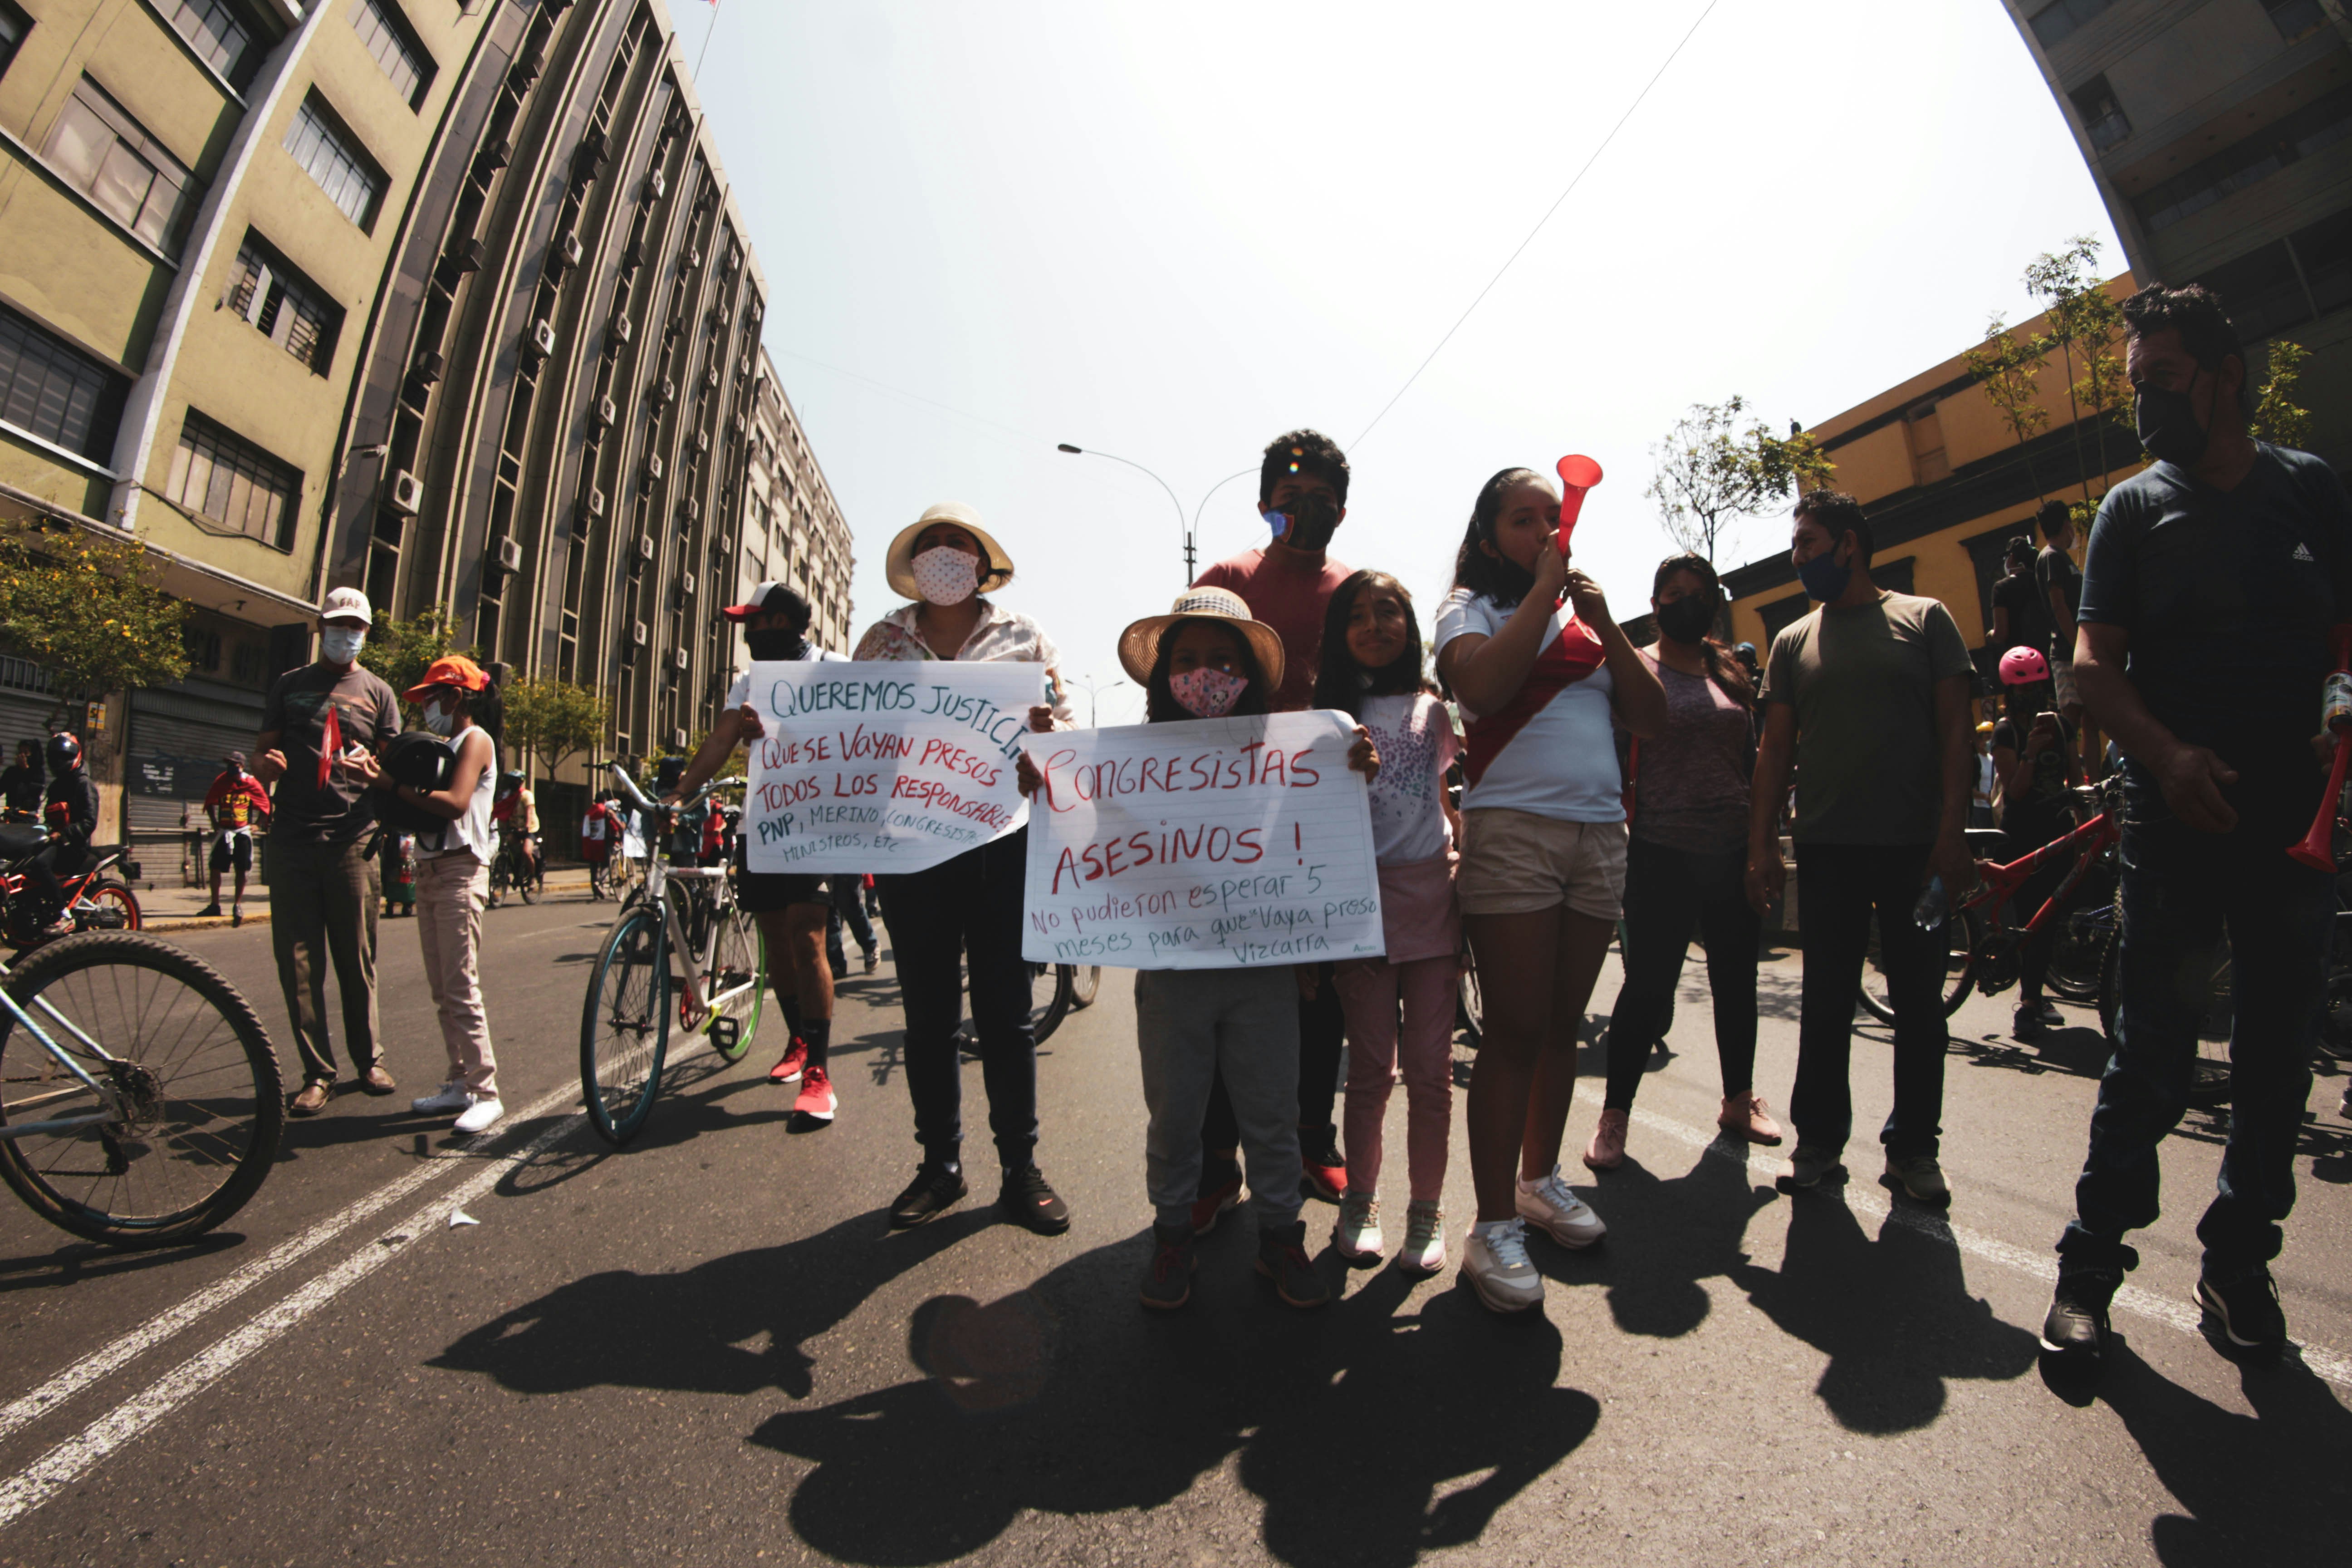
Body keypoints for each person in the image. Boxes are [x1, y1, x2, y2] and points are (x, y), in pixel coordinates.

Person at [2039, 282, 2352, 1367]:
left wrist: (2340, 710)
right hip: (2171, 824)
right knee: (2151, 1055)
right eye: (2137, 386)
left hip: (2290, 826)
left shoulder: (2309, 489)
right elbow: (2091, 667)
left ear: (2224, 376)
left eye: (2163, 380)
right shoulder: (2132, 510)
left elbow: (2346, 638)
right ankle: (2088, 1270)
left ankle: (2238, 1265)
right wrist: (2167, 758)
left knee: (2277, 1055)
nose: (2147, 405)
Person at [1039, 586, 1375, 1309]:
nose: (1205, 674)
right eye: (1187, 660)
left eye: (1223, 660)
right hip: (1171, 977)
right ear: (1163, 677)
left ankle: (1281, 1235)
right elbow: (1090, 848)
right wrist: (1044, 784)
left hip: (1265, 976)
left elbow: (1314, 847)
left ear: (1249, 674)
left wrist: (1353, 773)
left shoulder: (1293, 755)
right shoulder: (1127, 763)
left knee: (1273, 1116)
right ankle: (1171, 1237)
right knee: (1175, 1119)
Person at [1433, 467, 1667, 1313]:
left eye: (1549, 518)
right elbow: (1480, 688)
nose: (1542, 531)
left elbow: (1651, 718)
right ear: (1489, 536)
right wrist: (1542, 591)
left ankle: (1538, 1181)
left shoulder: (1582, 619)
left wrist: (1605, 624)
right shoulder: (1469, 609)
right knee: (1515, 1029)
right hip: (1514, 832)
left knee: (1562, 1026)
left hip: (1598, 836)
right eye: (1522, 520)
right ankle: (1491, 1226)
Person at [1746, 490, 1975, 1205]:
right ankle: (1818, 1143)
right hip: (1826, 852)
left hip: (1915, 851)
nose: (1798, 558)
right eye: (1795, 546)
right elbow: (1774, 750)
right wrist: (1761, 844)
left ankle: (1914, 1150)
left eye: (1808, 543)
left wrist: (1952, 834)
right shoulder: (1792, 641)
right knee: (1825, 1004)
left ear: (1850, 544)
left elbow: (1957, 733)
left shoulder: (1926, 619)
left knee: (1920, 1007)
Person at [853, 505, 1074, 1234]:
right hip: (911, 851)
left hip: (1001, 848)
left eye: (959, 543)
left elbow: (1066, 726)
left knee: (1007, 1017)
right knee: (928, 1019)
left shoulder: (1024, 638)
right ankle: (940, 1167)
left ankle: (1020, 1168)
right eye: (932, 544)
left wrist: (1048, 742)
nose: (945, 553)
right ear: (913, 564)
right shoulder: (881, 642)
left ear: (983, 563)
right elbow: (843, 730)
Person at [1190, 429, 1358, 1215]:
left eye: (1323, 499)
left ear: (1342, 511)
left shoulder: (1355, 591)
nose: (1307, 510)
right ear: (1264, 505)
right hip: (1232, 820)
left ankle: (1312, 1138)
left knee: (1322, 993)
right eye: (1291, 498)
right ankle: (1216, 1162)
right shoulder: (1227, 581)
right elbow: (1186, 680)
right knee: (1233, 991)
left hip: (1325, 818)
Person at [1586, 553, 1779, 1173]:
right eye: (1674, 593)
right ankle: (1614, 1116)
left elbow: (1751, 763)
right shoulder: (1634, 669)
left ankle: (1739, 1100)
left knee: (1736, 982)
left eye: (1698, 593)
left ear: (1713, 605)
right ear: (1655, 603)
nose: (1686, 603)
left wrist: (1763, 846)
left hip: (1731, 850)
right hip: (1659, 851)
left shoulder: (1730, 671)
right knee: (1647, 987)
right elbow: (1609, 757)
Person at [1311, 571, 1459, 1273]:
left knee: (1432, 1074)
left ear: (1411, 623)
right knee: (1372, 1072)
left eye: (1389, 611)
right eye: (1358, 615)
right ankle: (1361, 1202)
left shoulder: (1437, 712)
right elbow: (1307, 816)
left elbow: (1446, 800)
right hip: (1358, 911)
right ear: (1339, 633)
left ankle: (1427, 1211)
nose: (1375, 625)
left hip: (1433, 906)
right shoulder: (1326, 720)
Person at [667, 582, 852, 1130]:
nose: (751, 634)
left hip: (818, 823)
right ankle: (798, 1039)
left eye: (758, 622)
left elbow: (871, 733)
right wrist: (679, 793)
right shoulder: (750, 682)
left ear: (785, 622)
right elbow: (719, 741)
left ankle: (819, 1073)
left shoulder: (835, 670)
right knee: (776, 940)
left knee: (807, 935)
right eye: (747, 625)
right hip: (763, 822)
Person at [254, 586, 401, 1115]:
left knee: (357, 959)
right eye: (338, 625)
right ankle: (318, 1072)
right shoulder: (290, 685)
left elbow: (394, 771)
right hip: (292, 839)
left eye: (356, 627)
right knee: (298, 965)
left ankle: (369, 1060)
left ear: (366, 634)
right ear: (321, 628)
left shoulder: (379, 693)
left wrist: (375, 774)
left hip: (353, 841)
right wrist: (266, 768)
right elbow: (260, 754)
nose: (346, 634)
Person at [357, 656, 505, 1134]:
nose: (426, 707)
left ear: (456, 697)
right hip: (431, 870)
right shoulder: (445, 746)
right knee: (443, 990)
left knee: (461, 988)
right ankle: (460, 1082)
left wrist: (390, 783)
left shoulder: (475, 740)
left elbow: (455, 804)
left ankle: (487, 1093)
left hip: (461, 871)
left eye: (432, 697)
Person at [1989, 645, 2080, 1043]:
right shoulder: (2005, 732)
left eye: (2037, 688)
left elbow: (2075, 777)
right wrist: (2030, 753)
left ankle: (2036, 995)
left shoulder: (2062, 726)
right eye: (2023, 690)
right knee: (2032, 919)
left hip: (2058, 832)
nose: (2031, 696)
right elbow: (2015, 791)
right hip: (2022, 836)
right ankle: (2028, 1004)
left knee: (2052, 918)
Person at [13, 732, 98, 939]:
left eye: (63, 757)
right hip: (57, 842)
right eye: (55, 758)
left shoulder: (84, 784)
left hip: (74, 846)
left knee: (40, 864)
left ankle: (63, 914)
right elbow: (49, 817)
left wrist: (63, 834)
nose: (59, 762)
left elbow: (89, 822)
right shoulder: (57, 785)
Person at [2034, 498, 2095, 766]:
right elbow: (2059, 607)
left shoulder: (2062, 557)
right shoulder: (2051, 557)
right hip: (2067, 651)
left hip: (2078, 649)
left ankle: (2094, 780)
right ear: (2066, 524)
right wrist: (2078, 645)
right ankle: (2069, 780)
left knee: (2092, 718)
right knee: (2070, 723)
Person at [197, 752, 271, 924]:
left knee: (242, 869)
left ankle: (237, 904)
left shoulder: (251, 783)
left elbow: (265, 804)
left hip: (242, 832)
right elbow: (210, 801)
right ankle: (215, 905)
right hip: (225, 832)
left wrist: (258, 825)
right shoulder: (222, 781)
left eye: (235, 765)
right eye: (229, 764)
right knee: (215, 867)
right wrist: (214, 822)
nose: (231, 767)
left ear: (242, 766)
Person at [1991, 536, 2046, 660]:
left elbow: (2001, 635)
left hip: (2021, 659)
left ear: (2011, 558)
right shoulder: (2042, 581)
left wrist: (1992, 634)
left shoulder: (2001, 588)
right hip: (2048, 652)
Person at [579, 791, 614, 901]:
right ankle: (600, 883)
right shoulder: (606, 811)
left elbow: (583, 827)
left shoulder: (589, 812)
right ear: (605, 801)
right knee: (606, 865)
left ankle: (595, 892)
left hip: (591, 843)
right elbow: (614, 825)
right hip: (603, 842)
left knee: (593, 868)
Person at [0, 739, 41, 823]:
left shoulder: (37, 772)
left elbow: (36, 791)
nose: (22, 756)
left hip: (28, 819)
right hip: (11, 817)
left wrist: (25, 770)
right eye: (20, 752)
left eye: (26, 753)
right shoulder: (11, 772)